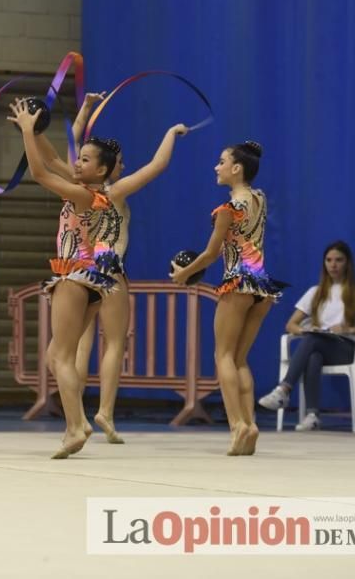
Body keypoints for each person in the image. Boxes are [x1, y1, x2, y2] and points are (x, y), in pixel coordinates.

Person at [36, 93, 187, 444]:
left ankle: (79, 415)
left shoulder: (80, 188)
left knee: (74, 347)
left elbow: (58, 154)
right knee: (113, 342)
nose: (79, 162)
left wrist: (52, 122)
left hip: (80, 269)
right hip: (108, 271)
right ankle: (102, 410)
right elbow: (155, 166)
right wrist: (171, 132)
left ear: (101, 165)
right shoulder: (113, 191)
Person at [170, 141, 286, 455]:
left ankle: (238, 425)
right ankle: (249, 425)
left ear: (236, 168)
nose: (216, 167)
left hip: (237, 282)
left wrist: (184, 274)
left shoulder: (228, 209)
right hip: (261, 285)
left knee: (222, 356)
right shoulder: (259, 198)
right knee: (239, 359)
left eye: (221, 162)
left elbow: (210, 254)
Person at [257, 240, 355, 429]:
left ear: (347, 263)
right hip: (319, 343)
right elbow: (291, 324)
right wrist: (304, 330)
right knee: (313, 353)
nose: (333, 265)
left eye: (339, 260)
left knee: (312, 341)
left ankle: (284, 389)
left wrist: (351, 329)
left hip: (345, 348)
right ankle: (313, 415)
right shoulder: (315, 292)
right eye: (329, 260)